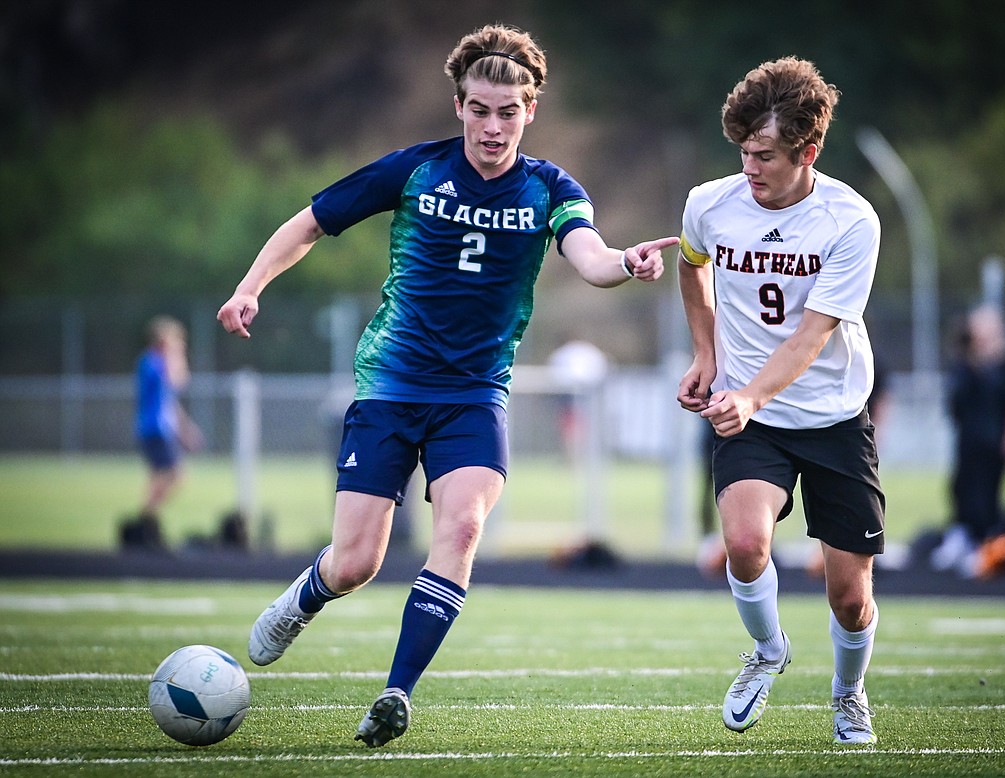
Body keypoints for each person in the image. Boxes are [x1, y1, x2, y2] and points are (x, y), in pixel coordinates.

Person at [216, 24, 676, 748]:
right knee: (358, 562)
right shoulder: (414, 170)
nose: (494, 127)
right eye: (481, 109)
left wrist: (628, 262)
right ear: (459, 106)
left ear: (531, 111)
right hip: (391, 386)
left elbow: (588, 256)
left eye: (509, 111)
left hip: (475, 394)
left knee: (461, 527)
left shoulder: (551, 189)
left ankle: (395, 694)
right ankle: (306, 596)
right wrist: (250, 288)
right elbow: (310, 222)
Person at [676, 56, 884, 746]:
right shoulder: (710, 202)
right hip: (751, 415)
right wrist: (707, 358)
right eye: (742, 150)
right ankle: (767, 650)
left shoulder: (851, 220)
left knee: (851, 600)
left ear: (808, 152)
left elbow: (811, 337)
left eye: (763, 154)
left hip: (831, 416)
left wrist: (752, 395)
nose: (749, 167)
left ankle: (848, 694)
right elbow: (691, 264)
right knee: (742, 543)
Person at [933, 306, 1005, 575]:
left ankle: (988, 546)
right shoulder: (965, 362)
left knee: (988, 496)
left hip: (993, 440)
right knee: (961, 488)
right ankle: (964, 538)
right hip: (969, 439)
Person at [125, 315, 202, 548]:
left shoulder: (153, 362)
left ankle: (147, 525)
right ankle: (144, 520)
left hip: (161, 428)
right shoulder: (152, 362)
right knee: (176, 475)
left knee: (159, 477)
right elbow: (178, 380)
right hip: (154, 428)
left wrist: (185, 429)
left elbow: (170, 400)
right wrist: (176, 355)